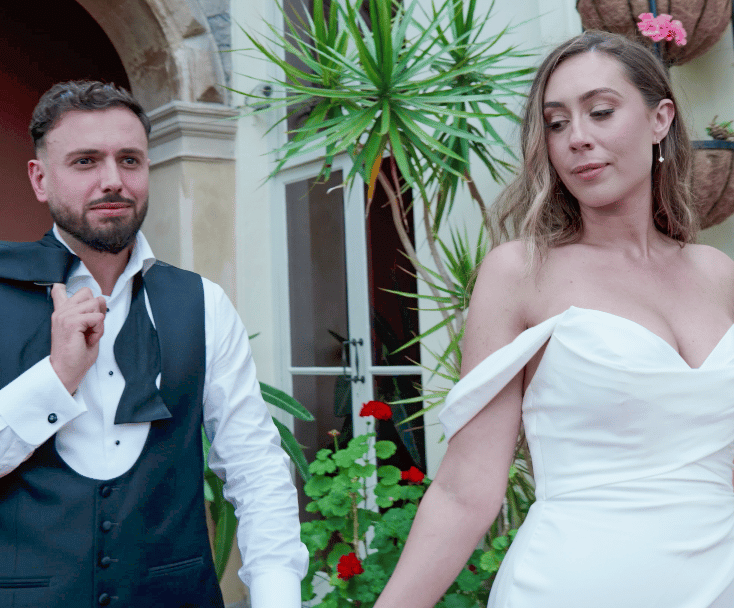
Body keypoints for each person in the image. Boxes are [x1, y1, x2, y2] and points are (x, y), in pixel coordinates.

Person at [374, 31, 734, 608]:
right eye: (557, 123)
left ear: (660, 118)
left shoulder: (717, 273)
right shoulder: (520, 272)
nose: (577, 139)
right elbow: (468, 488)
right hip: (572, 586)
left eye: (599, 112)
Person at [0, 81, 308, 608]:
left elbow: (256, 468)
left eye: (130, 160)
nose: (113, 180)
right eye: (85, 161)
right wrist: (55, 379)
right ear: (40, 179)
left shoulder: (202, 303)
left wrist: (277, 598)